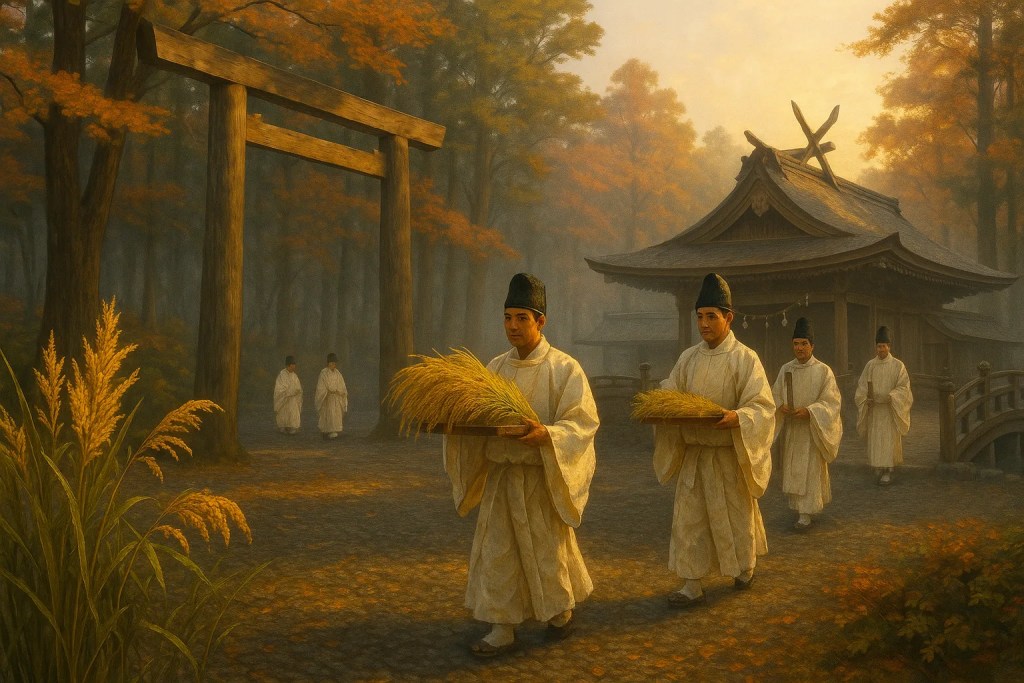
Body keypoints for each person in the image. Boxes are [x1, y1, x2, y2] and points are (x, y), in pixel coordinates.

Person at [443, 273, 599, 657]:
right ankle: (502, 625)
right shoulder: (493, 369)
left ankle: (558, 613)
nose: (512, 326)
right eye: (507, 317)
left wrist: (547, 434)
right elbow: (475, 421)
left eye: (521, 318)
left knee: (547, 549)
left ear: (541, 321)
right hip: (501, 477)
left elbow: (583, 422)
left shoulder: (565, 369)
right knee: (498, 551)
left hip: (541, 477)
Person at [652, 272, 775, 608]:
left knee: (734, 515)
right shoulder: (688, 358)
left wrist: (740, 417)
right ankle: (691, 583)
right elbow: (671, 389)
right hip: (695, 455)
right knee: (690, 519)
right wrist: (659, 402)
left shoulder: (745, 359)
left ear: (728, 318)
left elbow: (763, 406)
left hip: (728, 454)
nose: (704, 325)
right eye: (700, 317)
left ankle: (744, 569)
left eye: (711, 317)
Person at [771, 318, 843, 531]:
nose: (799, 348)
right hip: (793, 430)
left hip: (812, 430)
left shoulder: (823, 371)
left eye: (804, 344)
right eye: (796, 344)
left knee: (809, 470)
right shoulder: (786, 369)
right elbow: (774, 394)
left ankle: (806, 513)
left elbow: (832, 401)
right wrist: (780, 405)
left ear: (812, 346)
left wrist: (811, 412)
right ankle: (800, 509)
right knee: (795, 468)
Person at [854, 326, 913, 485]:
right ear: (876, 347)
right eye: (878, 346)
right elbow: (862, 386)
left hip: (890, 410)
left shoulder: (897, 365)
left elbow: (904, 387)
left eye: (884, 346)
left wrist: (891, 397)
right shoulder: (870, 365)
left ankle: (887, 469)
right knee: (876, 439)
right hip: (875, 410)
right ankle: (878, 466)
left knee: (888, 440)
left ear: (889, 346)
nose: (881, 349)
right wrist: (867, 398)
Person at [315, 353, 348, 439]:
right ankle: (326, 430)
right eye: (331, 363)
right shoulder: (323, 373)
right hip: (327, 397)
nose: (332, 365)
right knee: (328, 414)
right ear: (328, 363)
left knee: (335, 414)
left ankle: (333, 431)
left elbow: (342, 386)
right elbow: (320, 387)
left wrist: (339, 391)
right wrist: (327, 391)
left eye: (334, 363)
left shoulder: (338, 374)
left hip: (336, 397)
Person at [274, 355, 302, 435]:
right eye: (292, 365)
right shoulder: (282, 375)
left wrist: (298, 391)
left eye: (294, 365)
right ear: (288, 365)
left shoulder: (295, 376)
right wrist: (290, 392)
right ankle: (283, 426)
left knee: (293, 410)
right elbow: (280, 389)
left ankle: (292, 426)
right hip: (284, 399)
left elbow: (298, 387)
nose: (294, 367)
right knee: (284, 411)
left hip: (293, 399)